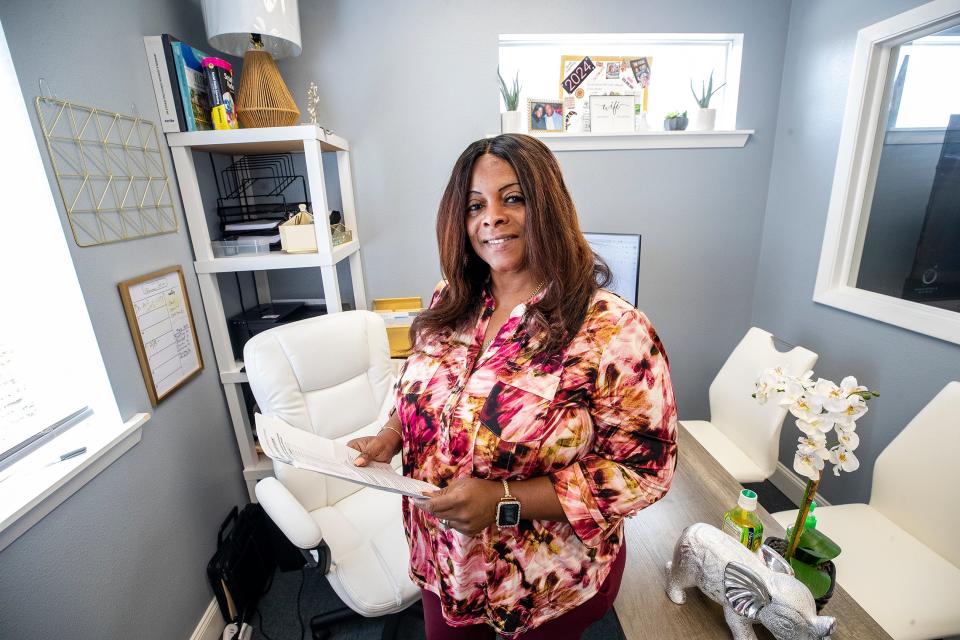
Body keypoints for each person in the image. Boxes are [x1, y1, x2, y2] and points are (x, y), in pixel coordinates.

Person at [349, 134, 678, 639]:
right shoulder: (450, 300)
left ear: (547, 206)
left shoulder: (613, 329)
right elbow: (422, 390)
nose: (492, 217)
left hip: (542, 583)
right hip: (445, 562)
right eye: (475, 204)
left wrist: (506, 500)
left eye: (513, 197)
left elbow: (646, 470)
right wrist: (391, 435)